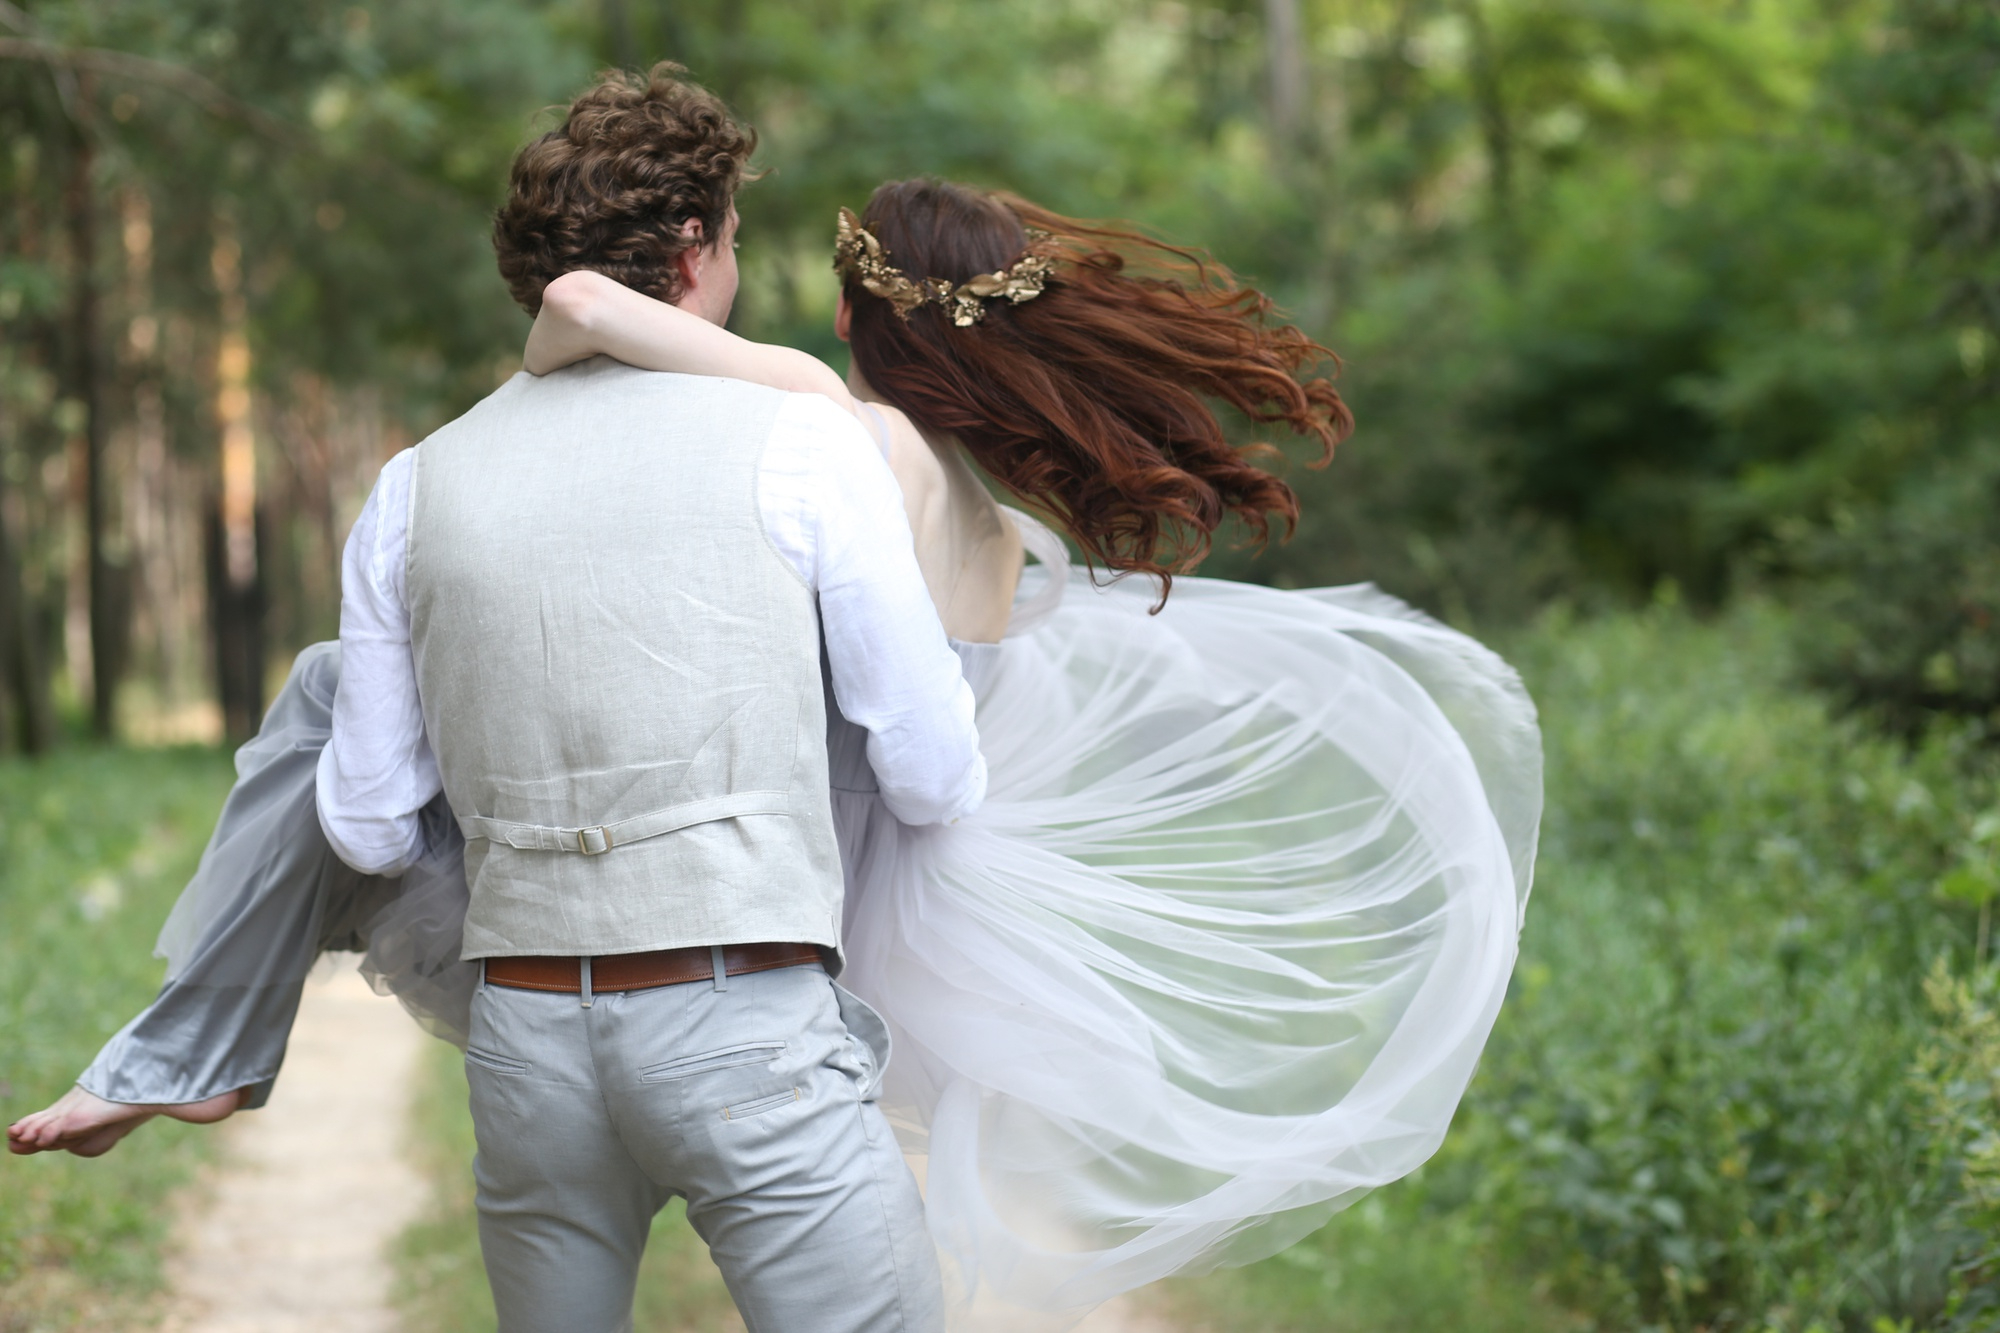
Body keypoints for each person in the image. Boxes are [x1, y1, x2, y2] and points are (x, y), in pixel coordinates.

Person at [12, 77, 1543, 1332]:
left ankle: (194, 1039)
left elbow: (681, 371)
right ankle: (195, 1047)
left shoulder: (823, 436)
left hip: (639, 960)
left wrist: (573, 327)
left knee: (339, 693)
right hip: (800, 925)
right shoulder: (981, 506)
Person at [17, 66, 979, 1333]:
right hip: (743, 1017)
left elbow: (363, 822)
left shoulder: (415, 485)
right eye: (735, 240)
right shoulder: (801, 445)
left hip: (529, 1041)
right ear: (692, 250)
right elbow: (928, 772)